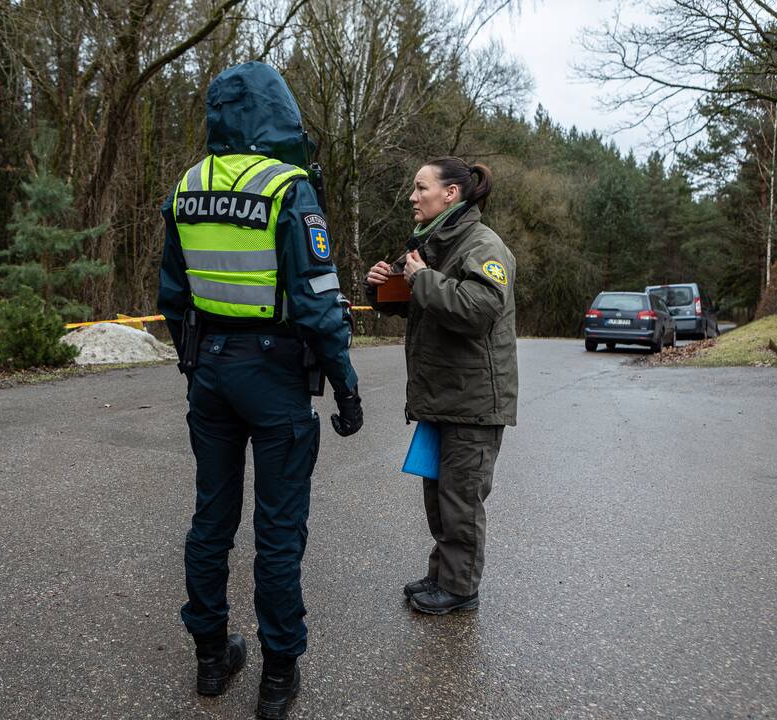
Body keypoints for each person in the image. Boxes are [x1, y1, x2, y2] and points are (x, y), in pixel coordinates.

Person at [157, 61, 363, 719]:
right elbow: (319, 304)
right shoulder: (289, 188)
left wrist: (199, 365)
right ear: (277, 112)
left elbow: (172, 296)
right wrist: (346, 386)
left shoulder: (186, 187)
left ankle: (212, 660)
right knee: (278, 531)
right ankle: (277, 681)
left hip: (211, 372)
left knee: (211, 519)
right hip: (274, 376)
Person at [364, 157, 517, 615]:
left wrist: (421, 278)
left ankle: (461, 589)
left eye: (420, 188)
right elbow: (418, 300)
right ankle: (443, 574)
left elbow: (478, 309)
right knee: (441, 495)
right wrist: (381, 286)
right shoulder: (433, 242)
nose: (412, 197)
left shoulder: (483, 244)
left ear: (450, 194)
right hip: (442, 397)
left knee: (461, 499)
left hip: (474, 400)